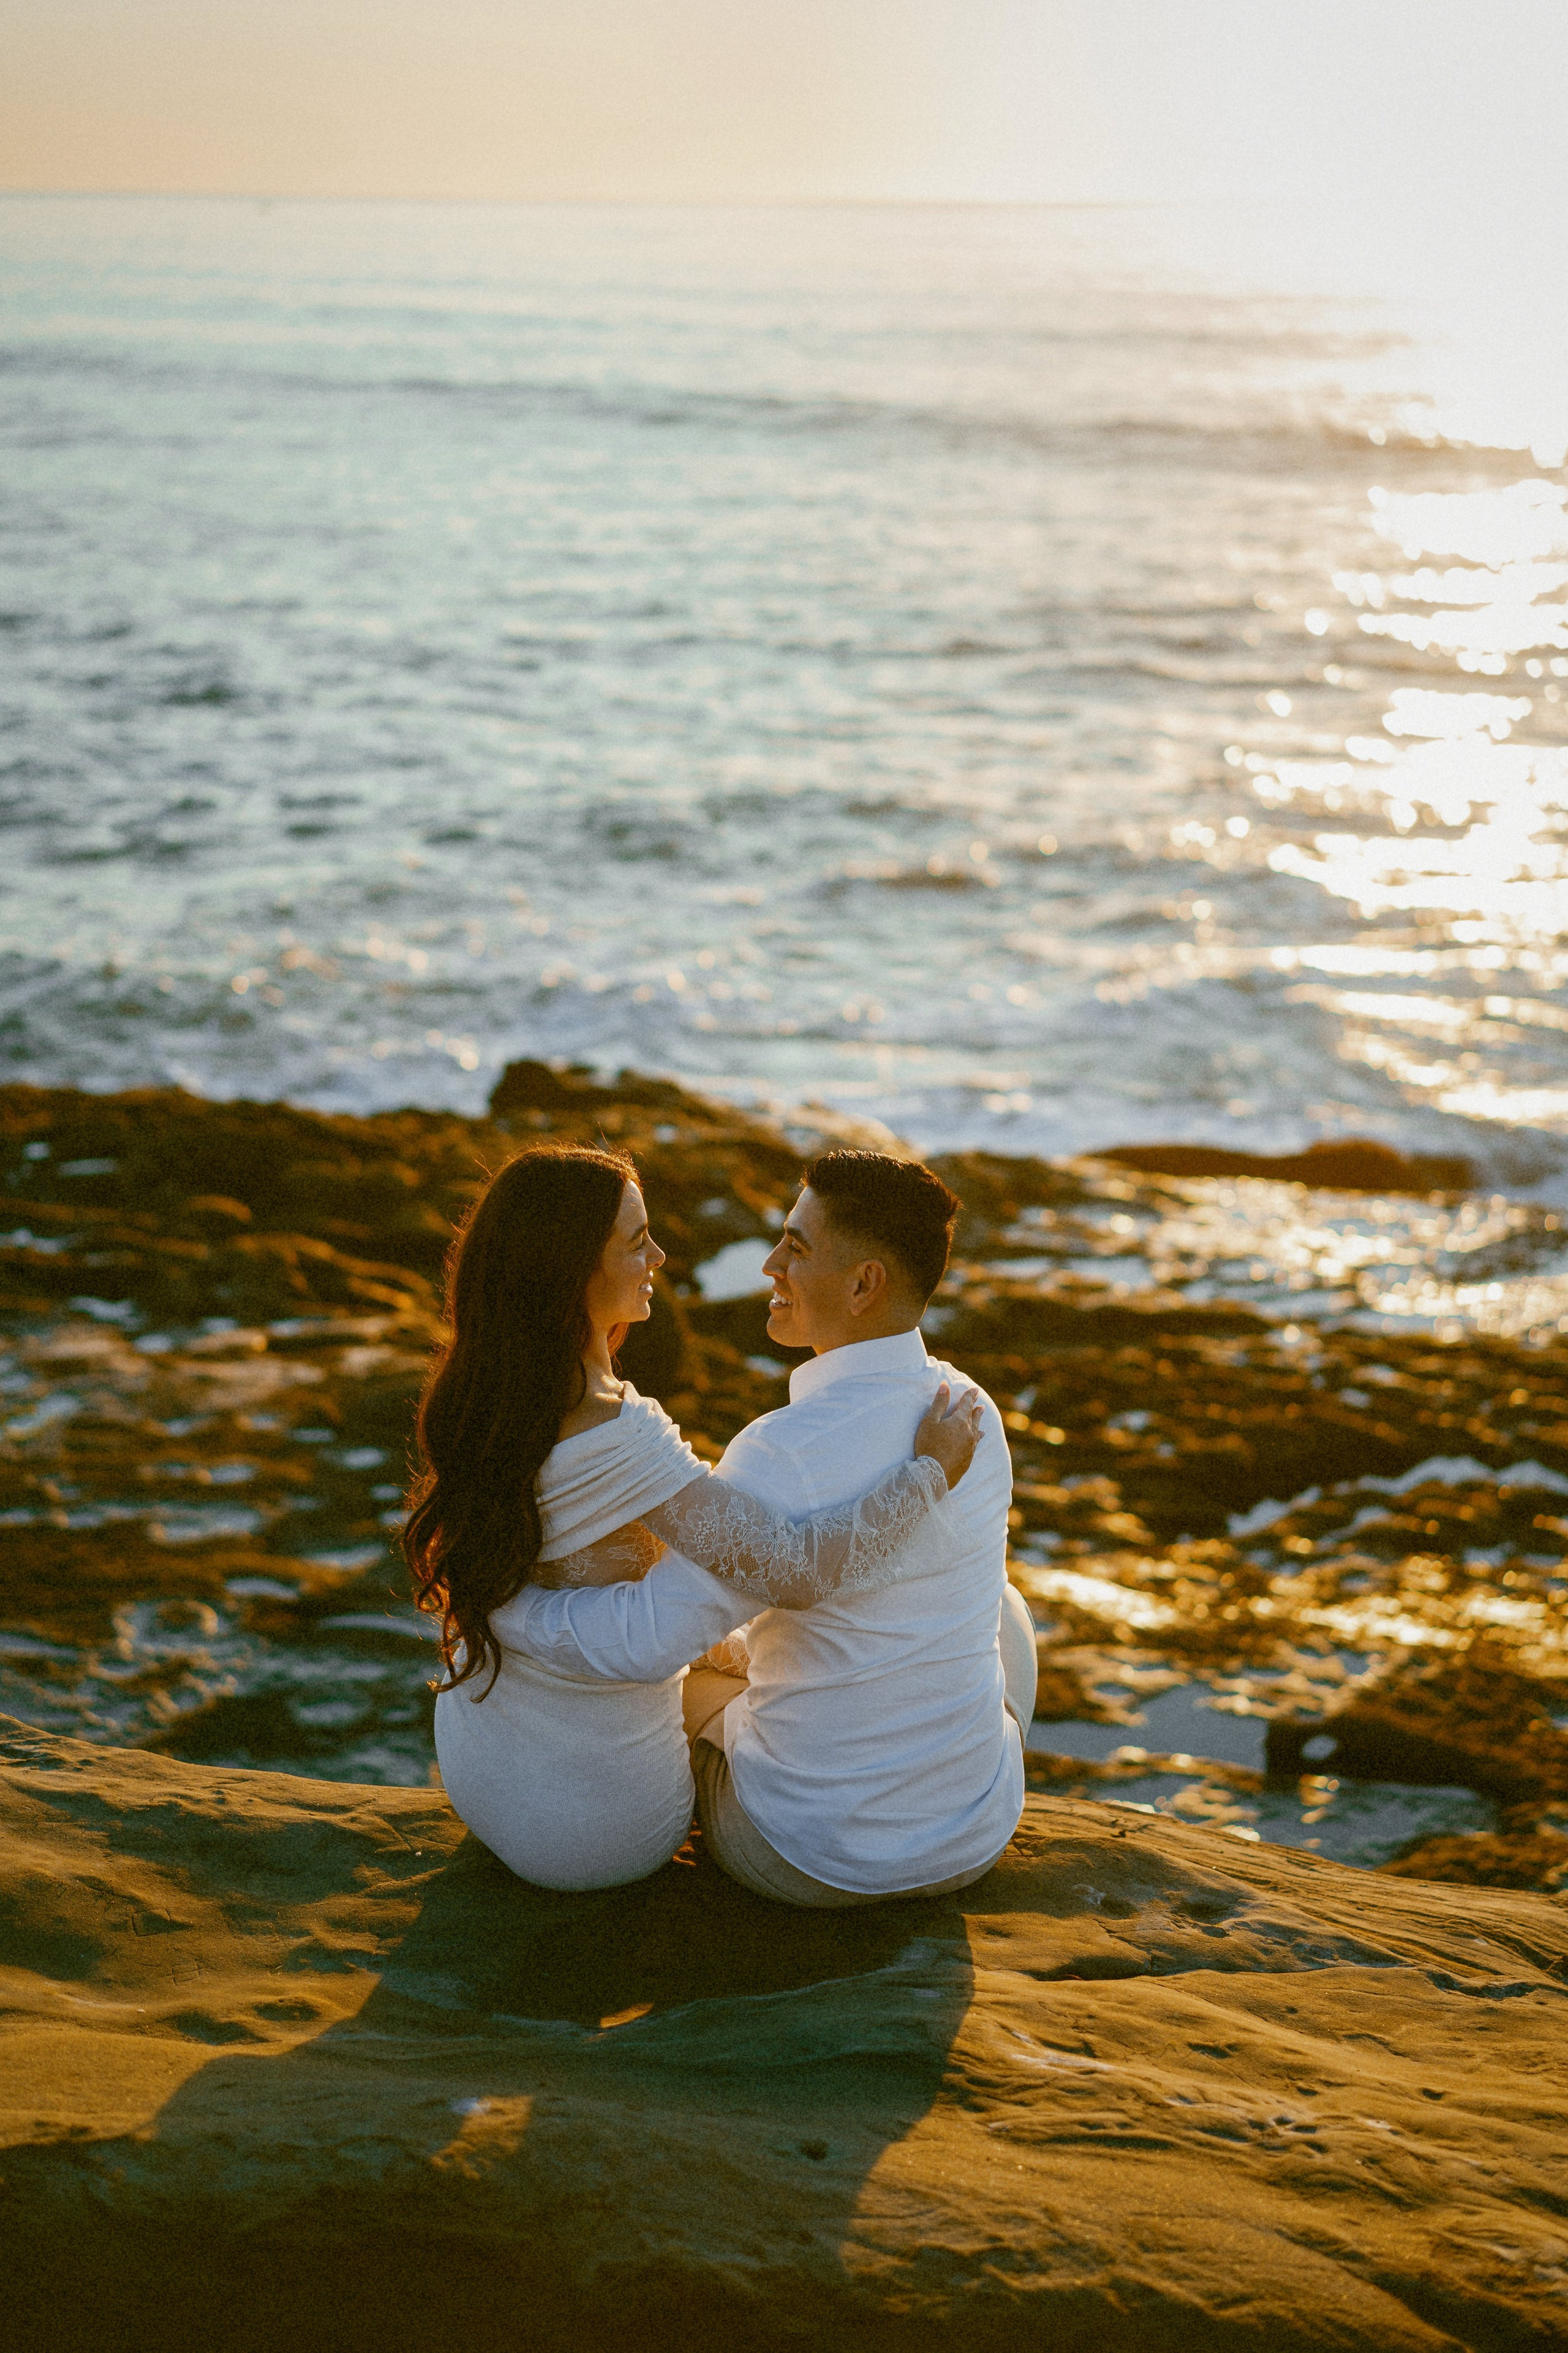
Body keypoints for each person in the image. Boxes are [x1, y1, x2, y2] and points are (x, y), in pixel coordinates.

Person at [405, 1143, 982, 1892]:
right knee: (813, 1695)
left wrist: (512, 1611)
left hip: (485, 1775)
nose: (661, 1254)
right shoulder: (611, 1430)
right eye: (636, 1240)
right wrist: (928, 1474)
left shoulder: (490, 1392)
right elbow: (791, 1571)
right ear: (573, 1268)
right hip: (598, 1829)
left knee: (748, 1665)